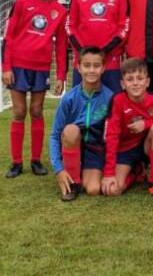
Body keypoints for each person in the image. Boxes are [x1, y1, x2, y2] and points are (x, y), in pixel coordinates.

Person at [1, 0, 67, 179]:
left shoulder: (59, 11)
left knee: (37, 111)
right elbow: (9, 37)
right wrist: (6, 67)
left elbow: (62, 44)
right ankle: (16, 162)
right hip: (18, 66)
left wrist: (60, 75)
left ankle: (36, 160)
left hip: (41, 68)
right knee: (19, 111)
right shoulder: (22, 4)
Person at [49, 47, 114, 202]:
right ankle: (73, 184)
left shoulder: (110, 98)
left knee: (93, 190)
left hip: (94, 148)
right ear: (79, 67)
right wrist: (58, 169)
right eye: (87, 65)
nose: (91, 70)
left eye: (96, 65)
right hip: (73, 144)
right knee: (71, 130)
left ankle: (83, 172)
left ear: (103, 68)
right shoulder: (69, 99)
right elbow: (54, 135)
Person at [102, 57, 153, 199]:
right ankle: (136, 171)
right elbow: (111, 136)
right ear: (122, 84)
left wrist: (146, 124)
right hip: (124, 149)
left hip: (146, 147)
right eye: (130, 79)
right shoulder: (118, 100)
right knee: (112, 190)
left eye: (140, 78)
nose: (135, 83)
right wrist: (108, 173)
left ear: (147, 82)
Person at [67, 0, 129, 93]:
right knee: (80, 105)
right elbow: (70, 26)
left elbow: (124, 28)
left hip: (110, 62)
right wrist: (84, 51)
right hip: (83, 62)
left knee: (112, 105)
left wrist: (103, 51)